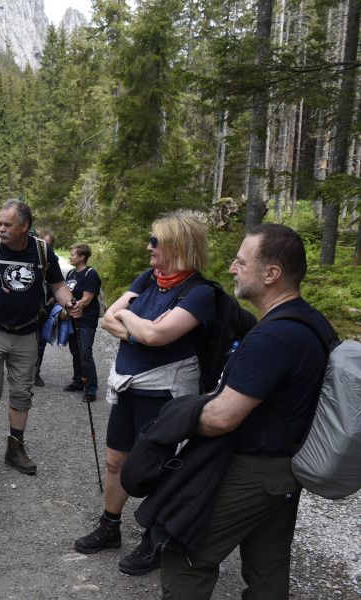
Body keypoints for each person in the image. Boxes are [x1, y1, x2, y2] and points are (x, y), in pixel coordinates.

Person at [161, 224, 331, 599]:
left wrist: (172, 420)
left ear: (271, 274)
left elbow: (223, 417)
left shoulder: (274, 336)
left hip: (254, 470)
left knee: (187, 553)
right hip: (286, 468)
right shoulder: (311, 321)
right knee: (267, 567)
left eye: (241, 261)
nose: (232, 268)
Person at [74, 212, 215, 575]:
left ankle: (155, 539)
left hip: (166, 392)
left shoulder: (199, 293)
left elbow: (155, 336)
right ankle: (110, 526)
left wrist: (137, 325)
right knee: (115, 461)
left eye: (155, 241)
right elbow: (108, 317)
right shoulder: (149, 279)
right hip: (129, 385)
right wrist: (143, 328)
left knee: (154, 468)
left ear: (177, 245)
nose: (148, 247)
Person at [0, 200, 77, 475]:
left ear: (24, 226)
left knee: (21, 393)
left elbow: (59, 286)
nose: (0, 229)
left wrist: (70, 303)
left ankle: (14, 447)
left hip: (27, 333)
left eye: (7, 225)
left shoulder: (42, 251)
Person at [63, 244, 102, 402]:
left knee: (85, 352)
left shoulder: (90, 274)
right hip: (72, 318)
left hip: (86, 320)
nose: (70, 257)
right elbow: (65, 293)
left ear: (82, 257)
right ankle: (78, 381)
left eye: (73, 254)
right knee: (75, 351)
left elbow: (87, 299)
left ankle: (91, 389)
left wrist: (76, 306)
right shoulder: (71, 273)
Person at [34, 229, 58, 387]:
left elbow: (58, 283)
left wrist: (54, 296)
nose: (48, 248)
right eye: (45, 245)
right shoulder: (31, 256)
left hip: (46, 307)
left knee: (41, 341)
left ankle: (35, 373)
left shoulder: (53, 259)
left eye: (50, 245)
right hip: (29, 306)